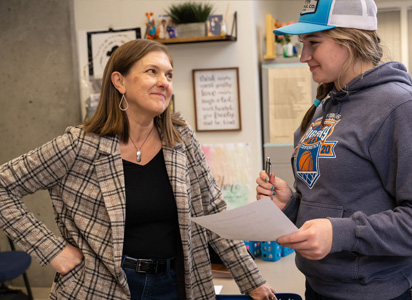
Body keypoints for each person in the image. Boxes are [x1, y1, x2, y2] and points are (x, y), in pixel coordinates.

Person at [0, 39, 276, 300]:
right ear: (119, 81)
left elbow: (214, 211)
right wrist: (52, 250)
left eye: (168, 75)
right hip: (101, 286)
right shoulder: (80, 145)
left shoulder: (180, 140)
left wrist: (251, 279)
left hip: (177, 283)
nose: (163, 82)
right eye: (152, 72)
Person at [256, 1, 412, 299]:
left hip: (381, 293)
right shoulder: (325, 105)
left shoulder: (403, 108)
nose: (303, 56)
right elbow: (334, 203)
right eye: (302, 44)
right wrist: (291, 205)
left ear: (351, 40)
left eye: (314, 43)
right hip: (319, 288)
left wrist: (342, 234)